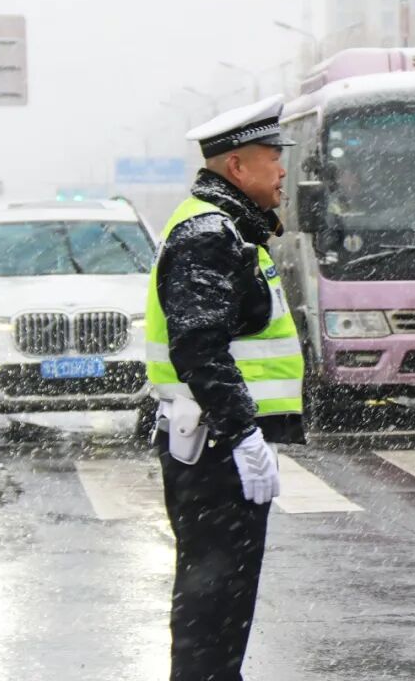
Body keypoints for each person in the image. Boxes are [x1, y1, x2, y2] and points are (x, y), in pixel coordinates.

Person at [144, 94, 305, 681]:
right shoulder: (210, 234)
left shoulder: (228, 228)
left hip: (215, 443)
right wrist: (242, 434)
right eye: (273, 156)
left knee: (222, 601)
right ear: (237, 166)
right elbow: (198, 346)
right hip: (214, 447)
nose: (283, 169)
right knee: (213, 602)